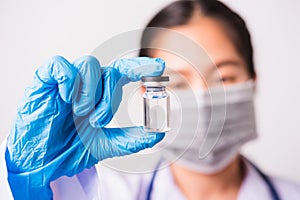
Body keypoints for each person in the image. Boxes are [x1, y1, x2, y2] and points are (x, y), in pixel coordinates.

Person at [1, 0, 300, 199]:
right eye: (178, 81)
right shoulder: (108, 194)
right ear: (148, 94)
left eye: (224, 78)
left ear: (252, 83)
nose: (203, 98)